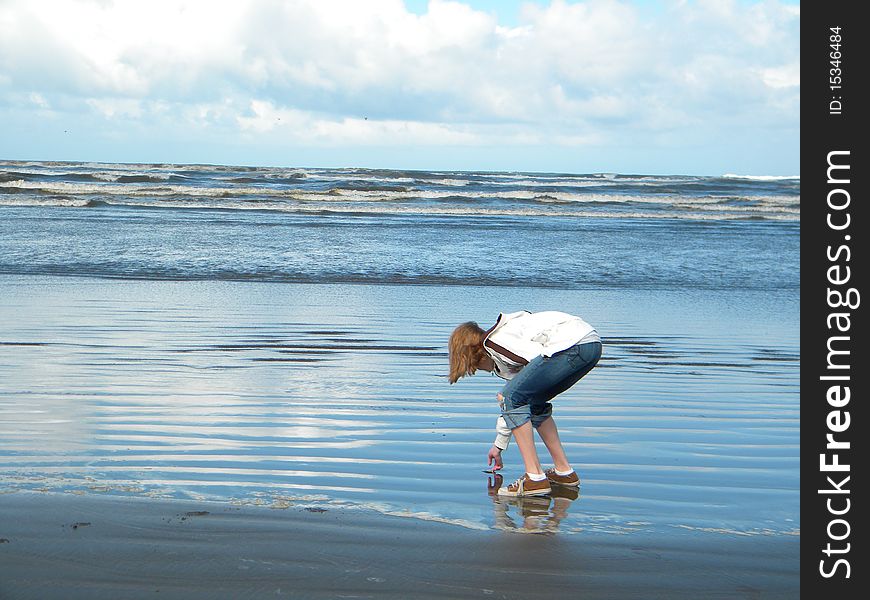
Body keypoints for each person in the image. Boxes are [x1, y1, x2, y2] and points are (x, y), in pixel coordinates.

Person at [448, 310, 601, 497]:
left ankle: (534, 479)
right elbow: (516, 406)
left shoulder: (497, 343)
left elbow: (534, 362)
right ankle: (564, 472)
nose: (482, 370)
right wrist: (499, 445)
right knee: (533, 402)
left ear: (476, 353)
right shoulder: (501, 354)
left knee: (511, 396)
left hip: (574, 345)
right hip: (589, 345)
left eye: (475, 366)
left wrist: (507, 395)